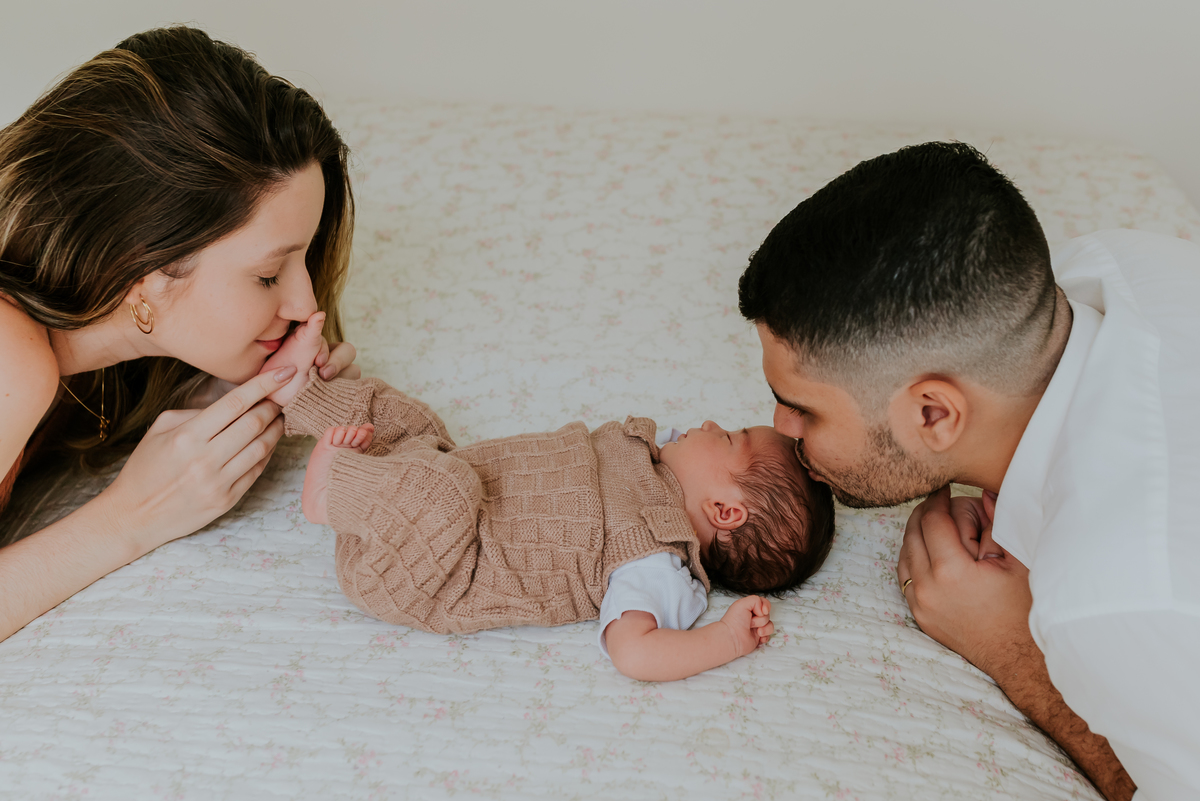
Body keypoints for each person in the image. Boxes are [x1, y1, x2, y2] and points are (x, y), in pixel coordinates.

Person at [738, 141, 1199, 800]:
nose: (780, 428)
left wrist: (1015, 651)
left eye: (804, 409)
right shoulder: (1119, 261)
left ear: (934, 414)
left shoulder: (1111, 593)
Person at [0, 26, 362, 643]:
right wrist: (134, 516)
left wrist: (223, 400)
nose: (306, 303)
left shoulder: (81, 352)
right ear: (145, 270)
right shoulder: (11, 358)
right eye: (269, 274)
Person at [257, 317, 836, 681]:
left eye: (730, 436)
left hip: (421, 570)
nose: (710, 422)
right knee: (411, 423)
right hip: (431, 496)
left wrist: (725, 639)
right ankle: (301, 391)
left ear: (724, 512)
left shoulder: (657, 562)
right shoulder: (653, 456)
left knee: (443, 489)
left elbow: (636, 654)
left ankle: (334, 493)